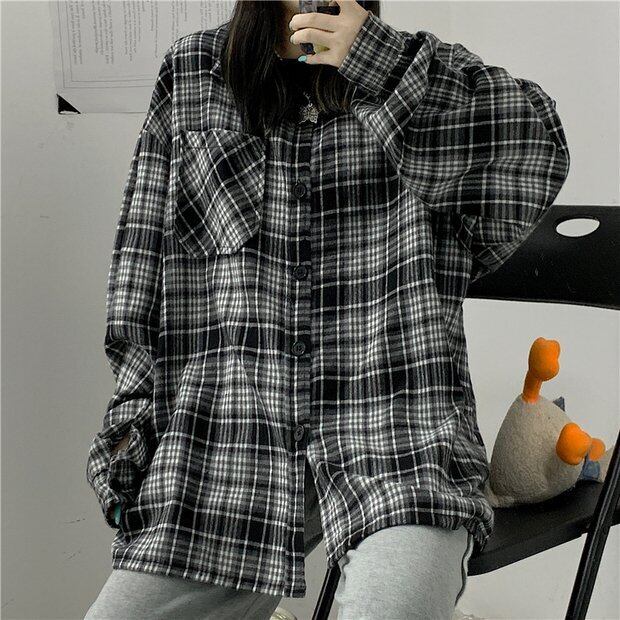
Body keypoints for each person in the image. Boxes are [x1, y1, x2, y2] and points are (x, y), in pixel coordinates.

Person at [84, 0, 570, 618]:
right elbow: (141, 273)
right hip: (224, 453)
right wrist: (129, 443)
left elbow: (541, 151)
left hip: (398, 445)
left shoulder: (420, 72)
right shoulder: (194, 72)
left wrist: (380, 64)